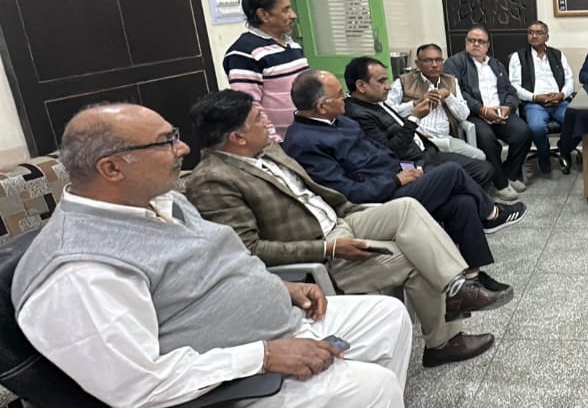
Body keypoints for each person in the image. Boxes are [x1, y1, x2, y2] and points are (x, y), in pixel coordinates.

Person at [12, 103, 413, 407]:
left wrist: (279, 286)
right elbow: (138, 386)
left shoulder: (158, 199)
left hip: (275, 326)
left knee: (386, 317)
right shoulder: (80, 271)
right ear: (112, 168)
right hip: (226, 382)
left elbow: (212, 267)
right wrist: (263, 356)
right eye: (166, 142)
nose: (183, 148)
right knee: (371, 387)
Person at [186, 90, 508, 368]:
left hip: (342, 216)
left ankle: (456, 288)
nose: (268, 122)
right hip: (321, 246)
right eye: (259, 119)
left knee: (409, 208)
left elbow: (315, 192)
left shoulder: (268, 150)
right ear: (237, 137)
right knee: (417, 255)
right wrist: (328, 248)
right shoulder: (213, 180)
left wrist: (353, 210)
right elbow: (248, 251)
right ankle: (444, 342)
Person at [283, 72, 526, 272]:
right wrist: (395, 180)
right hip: (376, 201)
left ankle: (472, 275)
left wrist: (406, 169)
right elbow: (345, 192)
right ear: (321, 106)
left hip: (395, 178)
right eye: (339, 95)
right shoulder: (305, 142)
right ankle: (491, 213)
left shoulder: (341, 120)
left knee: (462, 202)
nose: (345, 98)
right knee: (452, 171)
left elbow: (379, 153)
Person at [344, 56, 494, 189]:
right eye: (381, 81)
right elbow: (390, 152)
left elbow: (396, 125)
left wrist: (419, 133)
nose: (388, 86)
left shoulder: (376, 102)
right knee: (473, 174)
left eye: (438, 60)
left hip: (427, 150)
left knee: (484, 169)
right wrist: (415, 117)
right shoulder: (359, 115)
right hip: (411, 164)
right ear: (361, 86)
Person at [444, 25, 534, 192]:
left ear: (487, 45)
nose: (476, 44)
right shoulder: (455, 63)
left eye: (481, 41)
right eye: (472, 40)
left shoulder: (496, 64)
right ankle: (501, 184)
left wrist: (508, 107)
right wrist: (482, 110)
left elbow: (509, 90)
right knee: (487, 140)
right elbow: (458, 93)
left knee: (523, 133)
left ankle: (509, 174)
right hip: (474, 114)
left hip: (500, 112)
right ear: (466, 42)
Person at [223, 0, 310, 139]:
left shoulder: (293, 46)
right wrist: (273, 143)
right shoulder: (244, 53)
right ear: (263, 14)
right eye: (285, 10)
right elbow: (249, 106)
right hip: (280, 142)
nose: (293, 15)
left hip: (306, 135)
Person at [386, 44, 490, 162]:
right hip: (418, 140)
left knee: (479, 157)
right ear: (418, 64)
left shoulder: (451, 81)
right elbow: (388, 112)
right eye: (428, 60)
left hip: (445, 139)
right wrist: (416, 102)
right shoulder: (404, 81)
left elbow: (463, 116)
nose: (434, 65)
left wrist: (448, 96)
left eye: (438, 60)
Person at [509, 21, 577, 174]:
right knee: (537, 127)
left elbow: (570, 80)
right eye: (531, 32)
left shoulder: (557, 54)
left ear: (547, 36)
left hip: (559, 102)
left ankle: (564, 149)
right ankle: (544, 156)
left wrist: (562, 95)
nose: (534, 36)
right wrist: (535, 97)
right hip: (534, 104)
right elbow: (514, 86)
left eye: (539, 32)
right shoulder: (518, 57)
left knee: (578, 122)